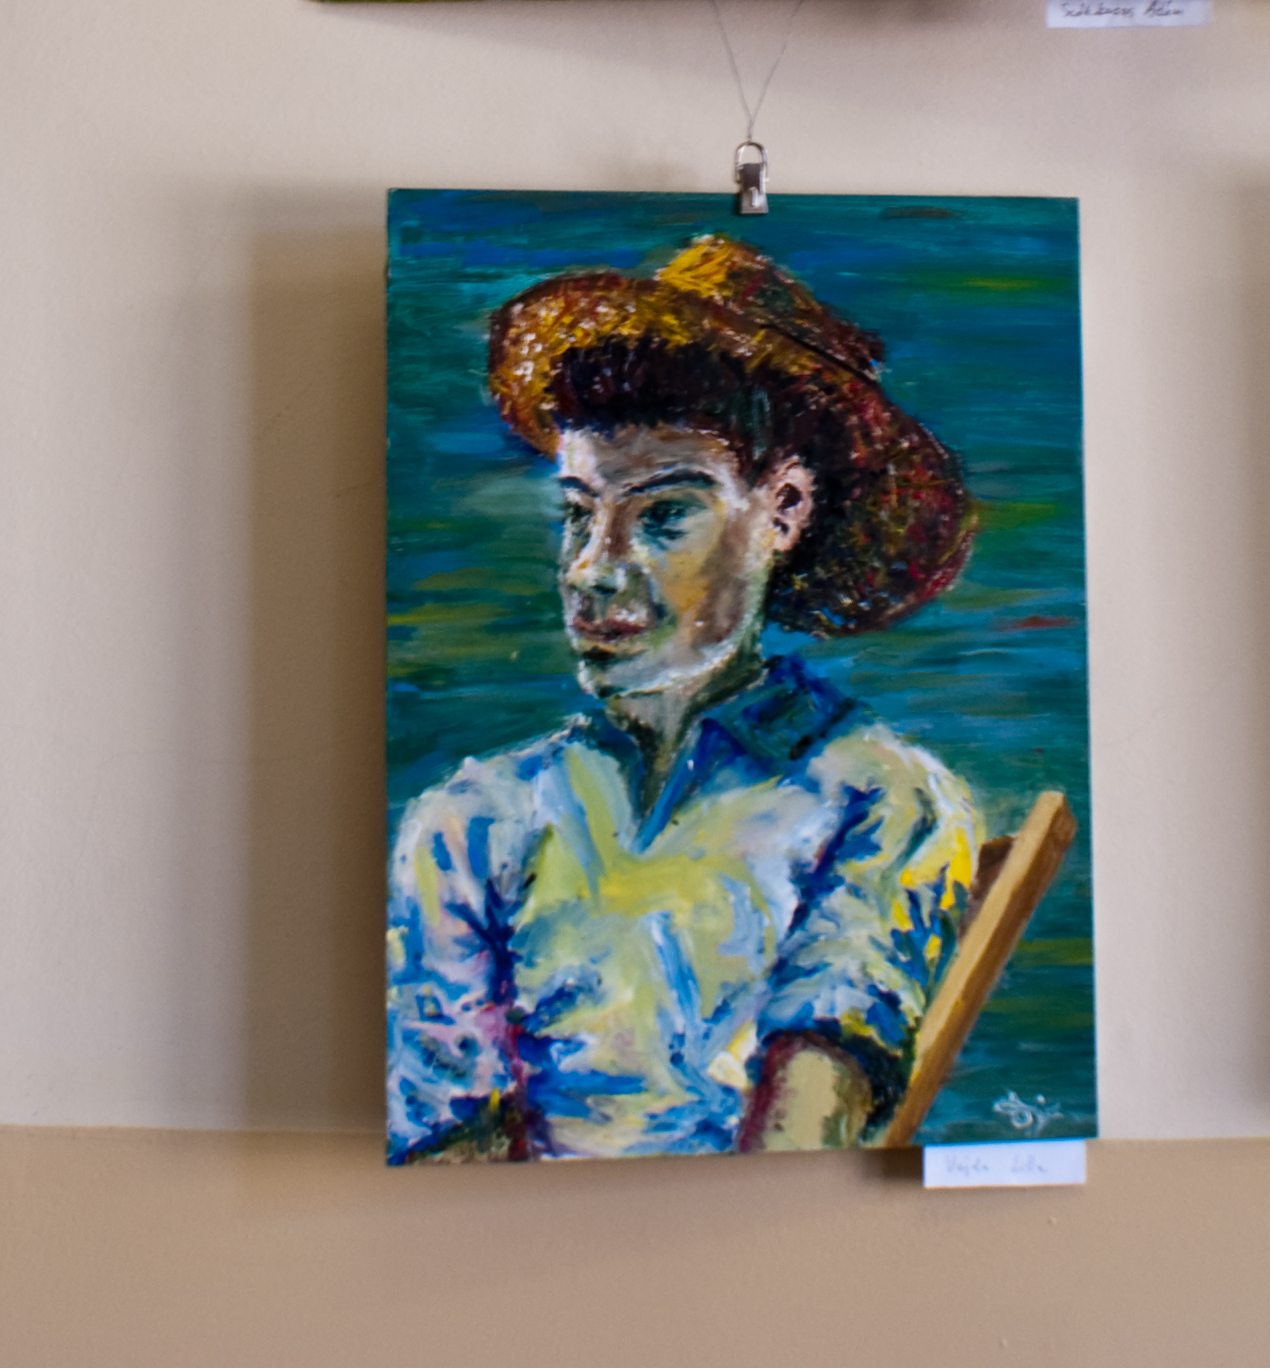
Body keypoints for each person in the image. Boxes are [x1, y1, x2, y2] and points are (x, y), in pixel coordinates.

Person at [385, 234, 986, 1163]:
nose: (592, 569)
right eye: (578, 514)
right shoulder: (472, 821)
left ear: (783, 512)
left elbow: (801, 1144)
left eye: (664, 514)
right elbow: (440, 1152)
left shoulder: (877, 798)